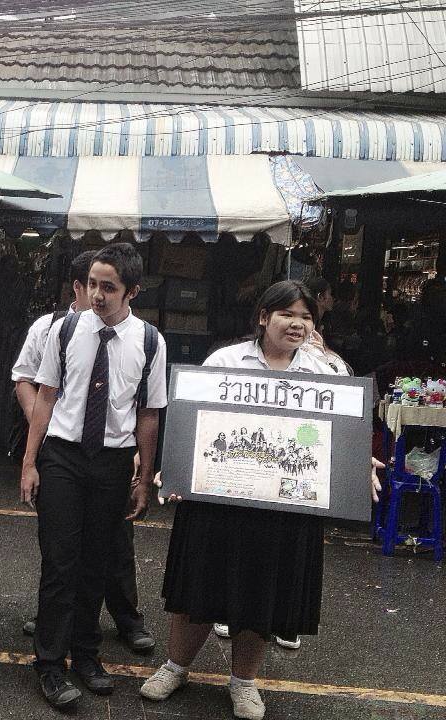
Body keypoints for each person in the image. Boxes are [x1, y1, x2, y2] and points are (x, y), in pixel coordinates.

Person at [140, 280, 383, 720]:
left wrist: (360, 466)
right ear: (263, 317)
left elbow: (346, 435)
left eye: (306, 316)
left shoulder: (328, 373)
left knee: (262, 594)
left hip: (286, 509)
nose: (297, 324)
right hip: (218, 501)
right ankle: (175, 667)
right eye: (287, 314)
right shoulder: (225, 361)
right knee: (198, 585)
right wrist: (174, 467)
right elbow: (190, 422)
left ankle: (244, 683)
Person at [20, 242, 167, 709]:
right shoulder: (64, 330)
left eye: (110, 287)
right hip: (62, 457)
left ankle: (85, 654)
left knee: (96, 563)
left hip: (112, 462)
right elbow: (45, 395)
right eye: (93, 284)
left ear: (132, 292)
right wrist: (29, 462)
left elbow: (148, 413)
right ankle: (49, 664)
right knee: (59, 562)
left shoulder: (150, 342)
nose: (98, 295)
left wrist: (143, 478)